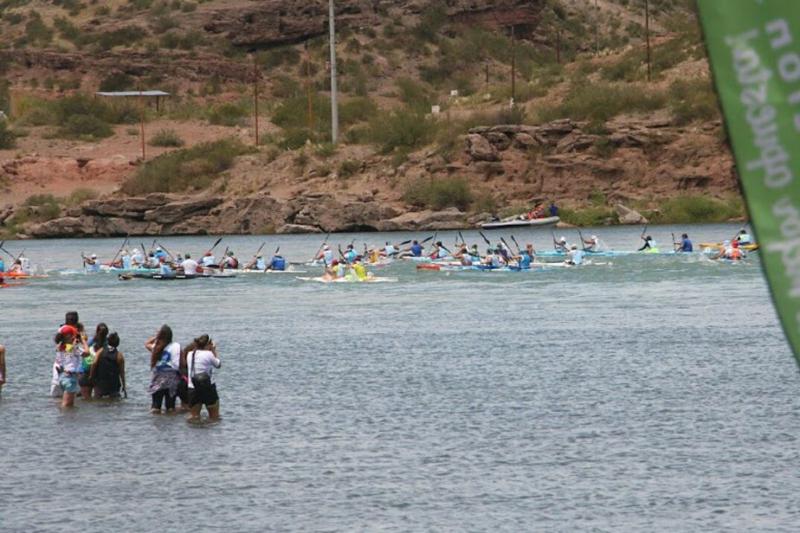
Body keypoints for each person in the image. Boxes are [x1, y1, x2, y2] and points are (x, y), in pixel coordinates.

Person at [145, 325, 182, 414]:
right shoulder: (175, 346)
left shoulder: (156, 347)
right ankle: (169, 426)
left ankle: (156, 425)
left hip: (158, 379)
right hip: (171, 380)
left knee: (155, 407)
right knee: (170, 408)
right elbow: (177, 365)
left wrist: (157, 337)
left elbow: (147, 344)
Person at [186, 335, 221, 422]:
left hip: (193, 388)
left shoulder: (190, 354)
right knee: (214, 418)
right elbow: (218, 364)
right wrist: (213, 350)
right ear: (207, 345)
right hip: (208, 387)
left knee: (194, 418)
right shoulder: (209, 354)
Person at [54, 325, 89, 408]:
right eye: (73, 335)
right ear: (68, 336)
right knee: (66, 405)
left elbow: (68, 353)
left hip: (62, 376)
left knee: (69, 406)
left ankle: (68, 419)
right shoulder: (73, 348)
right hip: (70, 378)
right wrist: (84, 341)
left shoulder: (59, 347)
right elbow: (87, 353)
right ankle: (63, 419)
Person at [91, 332, 126, 399]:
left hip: (101, 382)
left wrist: (91, 376)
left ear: (108, 341)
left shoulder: (101, 351)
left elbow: (94, 363)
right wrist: (124, 386)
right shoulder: (119, 355)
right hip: (114, 383)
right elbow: (122, 373)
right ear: (118, 343)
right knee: (114, 401)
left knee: (98, 400)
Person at [80, 323, 109, 400]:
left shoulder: (91, 341)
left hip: (86, 371)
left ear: (96, 331)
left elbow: (83, 352)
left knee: (86, 400)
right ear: (107, 333)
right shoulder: (108, 343)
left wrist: (84, 341)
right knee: (98, 400)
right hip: (100, 373)